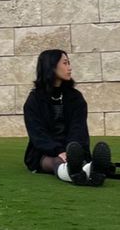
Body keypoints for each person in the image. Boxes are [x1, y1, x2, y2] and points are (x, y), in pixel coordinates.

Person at [23, 48, 112, 187]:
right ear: (51, 66)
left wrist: (71, 150)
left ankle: (91, 169)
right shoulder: (34, 100)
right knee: (55, 161)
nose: (69, 68)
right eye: (65, 63)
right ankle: (78, 173)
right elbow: (37, 134)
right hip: (44, 152)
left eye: (69, 63)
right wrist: (59, 151)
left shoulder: (75, 97)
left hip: (74, 149)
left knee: (76, 157)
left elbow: (79, 128)